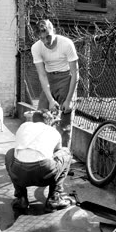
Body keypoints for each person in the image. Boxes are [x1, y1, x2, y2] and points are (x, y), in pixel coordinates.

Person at [5, 109, 73, 213]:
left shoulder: (23, 126)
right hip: (44, 174)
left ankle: (21, 198)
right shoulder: (53, 131)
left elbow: (19, 145)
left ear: (33, 119)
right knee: (66, 153)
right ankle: (54, 198)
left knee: (10, 153)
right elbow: (57, 151)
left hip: (19, 175)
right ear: (50, 122)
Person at [31, 19, 79, 148]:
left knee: (65, 124)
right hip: (49, 79)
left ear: (54, 31)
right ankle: (41, 154)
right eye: (42, 38)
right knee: (39, 118)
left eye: (48, 36)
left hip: (66, 78)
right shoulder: (36, 48)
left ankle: (63, 157)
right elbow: (42, 75)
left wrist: (68, 100)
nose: (46, 41)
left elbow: (75, 74)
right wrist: (50, 100)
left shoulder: (66, 44)